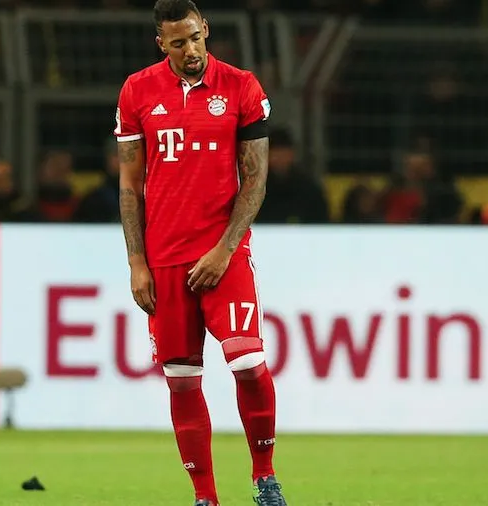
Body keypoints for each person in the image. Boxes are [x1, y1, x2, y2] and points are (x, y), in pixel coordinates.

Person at [113, 2, 285, 505]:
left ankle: (265, 478)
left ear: (205, 29)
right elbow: (130, 186)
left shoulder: (241, 87)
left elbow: (255, 180)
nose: (190, 49)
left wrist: (225, 249)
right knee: (182, 380)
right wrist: (137, 262)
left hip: (222, 253)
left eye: (194, 37)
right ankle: (205, 497)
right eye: (177, 42)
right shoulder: (137, 91)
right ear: (161, 44)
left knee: (248, 362)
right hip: (164, 258)